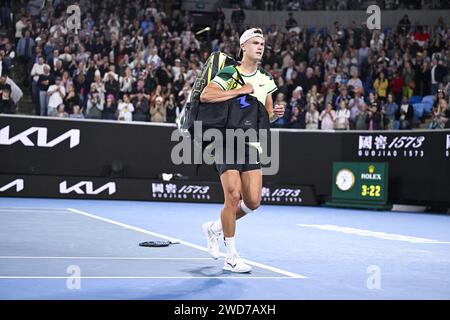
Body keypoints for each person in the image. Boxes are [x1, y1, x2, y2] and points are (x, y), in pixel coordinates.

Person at [199, 28, 284, 273]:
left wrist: (275, 115)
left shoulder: (266, 78)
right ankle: (231, 256)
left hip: (251, 143)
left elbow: (265, 114)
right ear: (243, 46)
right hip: (225, 139)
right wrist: (239, 90)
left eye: (263, 44)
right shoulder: (230, 73)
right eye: (255, 43)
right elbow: (207, 95)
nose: (260, 47)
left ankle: (214, 228)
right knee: (233, 196)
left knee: (252, 202)